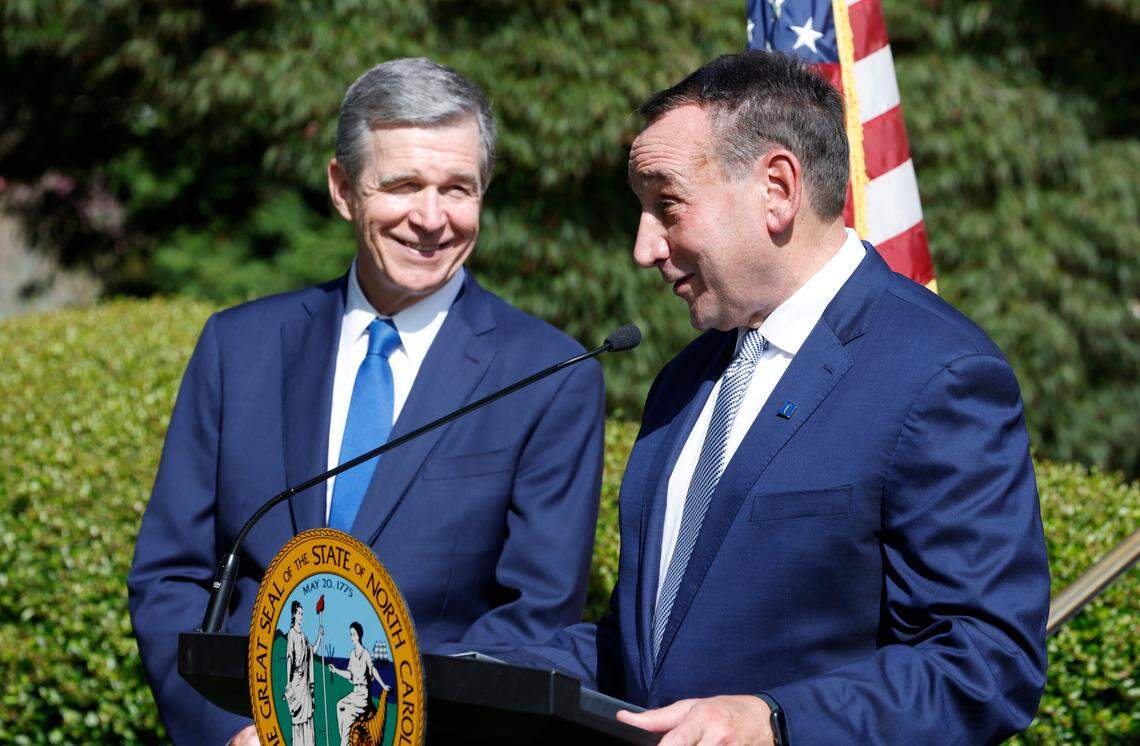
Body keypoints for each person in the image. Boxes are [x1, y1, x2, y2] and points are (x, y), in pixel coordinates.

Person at [510, 51, 1050, 744]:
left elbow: (986, 665)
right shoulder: (684, 379)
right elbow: (643, 654)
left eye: (666, 204)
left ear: (777, 188)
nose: (644, 247)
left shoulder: (938, 374)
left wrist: (776, 722)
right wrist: (463, 674)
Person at [127, 57, 605, 745]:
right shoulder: (240, 348)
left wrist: (370, 730)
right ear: (343, 188)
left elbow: (534, 618)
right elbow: (171, 575)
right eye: (404, 184)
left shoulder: (551, 374)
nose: (431, 218)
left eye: (458, 188)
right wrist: (229, 729)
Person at [328, 622, 389, 743]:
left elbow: (373, 670)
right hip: (355, 692)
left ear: (359, 635)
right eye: (350, 634)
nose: (351, 637)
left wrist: (383, 685)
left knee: (348, 716)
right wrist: (335, 670)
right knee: (339, 705)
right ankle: (345, 740)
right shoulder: (352, 654)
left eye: (353, 634)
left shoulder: (365, 653)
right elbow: (349, 674)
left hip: (363, 696)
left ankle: (344, 743)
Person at [283, 602, 324, 746]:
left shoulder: (304, 637)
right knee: (297, 720)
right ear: (294, 614)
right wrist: (288, 683)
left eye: (302, 614)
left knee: (308, 718)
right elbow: (289, 659)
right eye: (299, 613)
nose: (301, 616)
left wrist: (319, 637)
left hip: (305, 685)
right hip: (296, 683)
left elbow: (312, 652)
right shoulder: (291, 635)